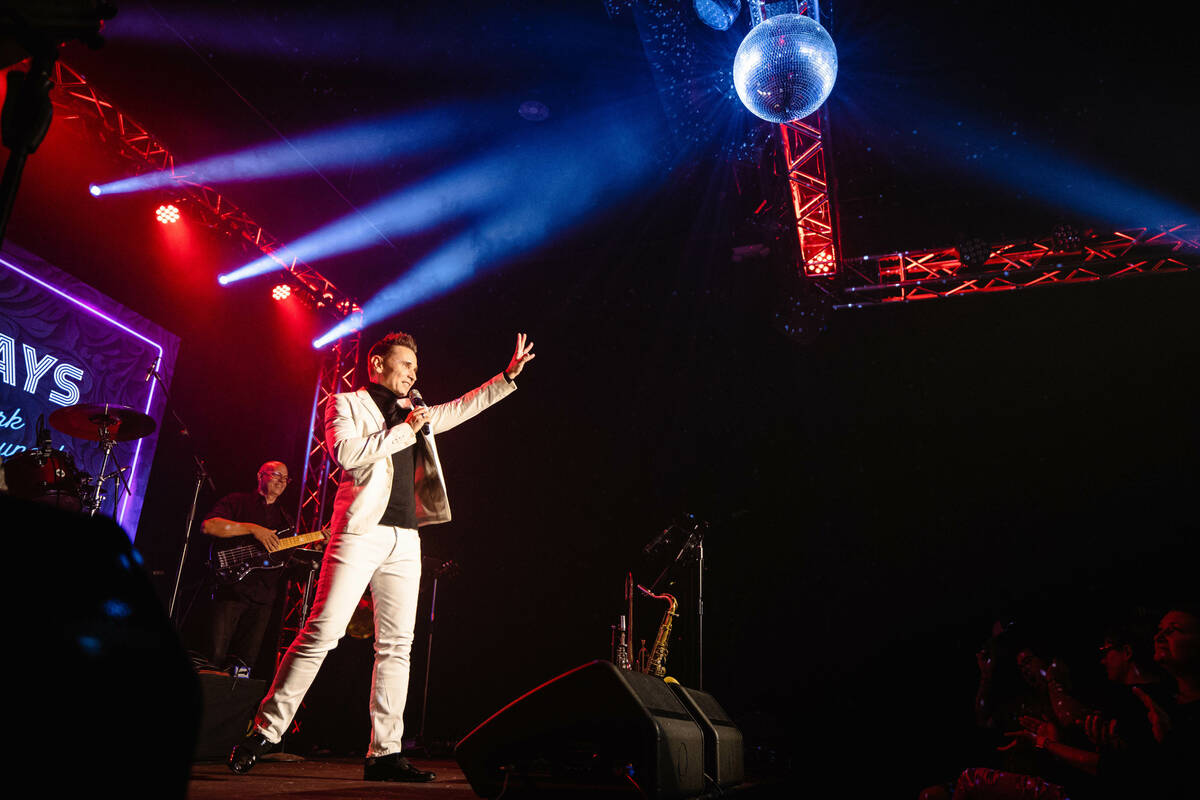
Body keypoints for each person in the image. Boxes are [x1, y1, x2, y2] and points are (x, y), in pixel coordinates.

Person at [230, 331, 535, 782]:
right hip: (359, 533)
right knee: (322, 632)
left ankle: (385, 752)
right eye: (406, 363)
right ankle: (264, 731)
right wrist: (405, 430)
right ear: (377, 364)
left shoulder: (416, 410)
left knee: (396, 646)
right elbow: (347, 454)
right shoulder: (345, 404)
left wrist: (506, 377)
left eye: (416, 367)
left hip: (406, 539)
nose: (414, 373)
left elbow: (460, 408)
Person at [201, 461, 293, 676]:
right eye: (276, 475)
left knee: (244, 666)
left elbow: (288, 561)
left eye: (286, 478)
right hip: (231, 592)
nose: (281, 481)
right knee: (213, 658)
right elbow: (209, 526)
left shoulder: (286, 520)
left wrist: (315, 547)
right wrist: (253, 529)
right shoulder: (237, 502)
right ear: (260, 476)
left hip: (263, 599)